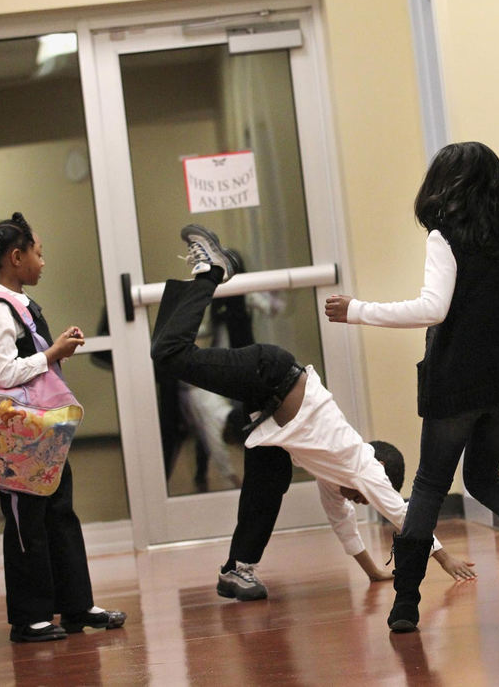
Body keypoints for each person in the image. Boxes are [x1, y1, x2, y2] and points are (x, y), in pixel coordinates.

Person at [325, 141, 499, 633]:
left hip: (458, 379)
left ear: (445, 186)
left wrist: (359, 310)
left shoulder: (444, 237)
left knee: (429, 484)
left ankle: (405, 603)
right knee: (483, 476)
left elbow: (433, 309)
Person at [150, 225, 478, 595]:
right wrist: (444, 556)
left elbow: (345, 527)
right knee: (169, 354)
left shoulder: (331, 473)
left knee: (271, 475)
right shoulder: (359, 463)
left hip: (268, 410)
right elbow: (402, 514)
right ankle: (211, 271)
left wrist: (373, 572)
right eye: (360, 496)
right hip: (269, 376)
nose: (353, 500)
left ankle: (238, 569)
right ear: (379, 470)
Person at [0, 212, 126, 642]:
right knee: (28, 523)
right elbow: (4, 373)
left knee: (60, 513)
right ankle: (30, 618)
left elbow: (27, 361)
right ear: (15, 257)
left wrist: (54, 349)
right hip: (19, 441)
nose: (43, 262)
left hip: (43, 436)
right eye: (38, 254)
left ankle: (76, 605)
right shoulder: (0, 308)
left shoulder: (20, 304)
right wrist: (52, 353)